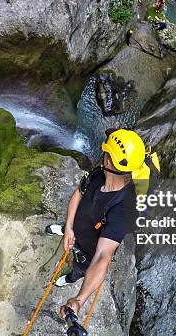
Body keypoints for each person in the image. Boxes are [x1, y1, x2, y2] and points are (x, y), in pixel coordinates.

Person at [45, 129, 159, 318]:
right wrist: (69, 228)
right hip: (78, 227)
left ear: (108, 160)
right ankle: (65, 229)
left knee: (81, 266)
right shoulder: (99, 173)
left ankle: (70, 278)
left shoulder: (123, 210)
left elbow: (102, 256)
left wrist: (79, 300)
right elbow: (79, 193)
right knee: (71, 230)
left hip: (89, 247)